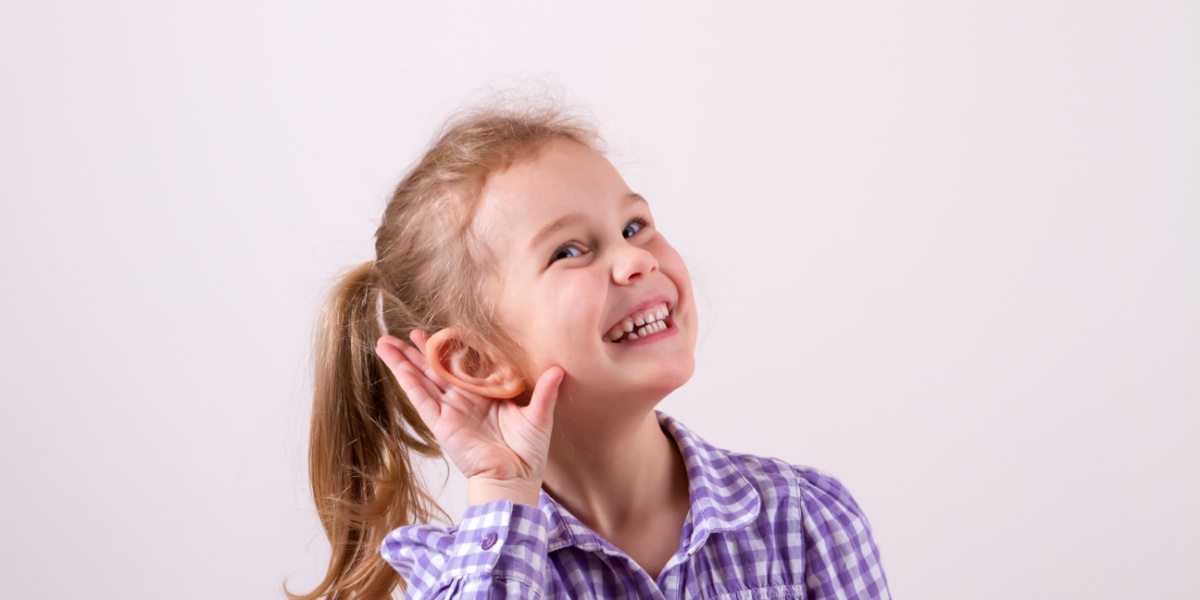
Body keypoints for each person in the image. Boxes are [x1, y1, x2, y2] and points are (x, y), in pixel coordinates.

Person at [291, 101, 890, 599]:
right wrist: (504, 489)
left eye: (634, 227)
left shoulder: (805, 520)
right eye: (570, 251)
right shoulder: (456, 575)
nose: (636, 259)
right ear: (477, 361)